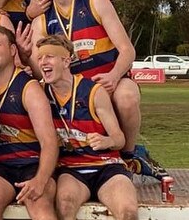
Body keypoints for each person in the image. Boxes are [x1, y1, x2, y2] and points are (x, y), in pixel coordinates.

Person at [23, 0, 166, 179]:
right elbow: (42, 68)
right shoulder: (42, 19)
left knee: (126, 97)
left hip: (109, 79)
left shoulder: (95, 1)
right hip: (74, 90)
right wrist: (26, 53)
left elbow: (128, 50)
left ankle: (128, 156)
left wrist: (113, 76)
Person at [37, 35, 137, 220]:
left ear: (66, 61)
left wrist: (107, 140)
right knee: (65, 206)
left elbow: (119, 139)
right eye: (40, 58)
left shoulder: (93, 91)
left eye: (49, 57)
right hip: (71, 169)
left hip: (107, 166)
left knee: (128, 213)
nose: (43, 62)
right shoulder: (39, 93)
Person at [0, 26, 58, 220]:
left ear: (13, 50)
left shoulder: (29, 87)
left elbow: (50, 142)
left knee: (38, 204)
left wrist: (40, 179)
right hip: (0, 167)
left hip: (32, 163)